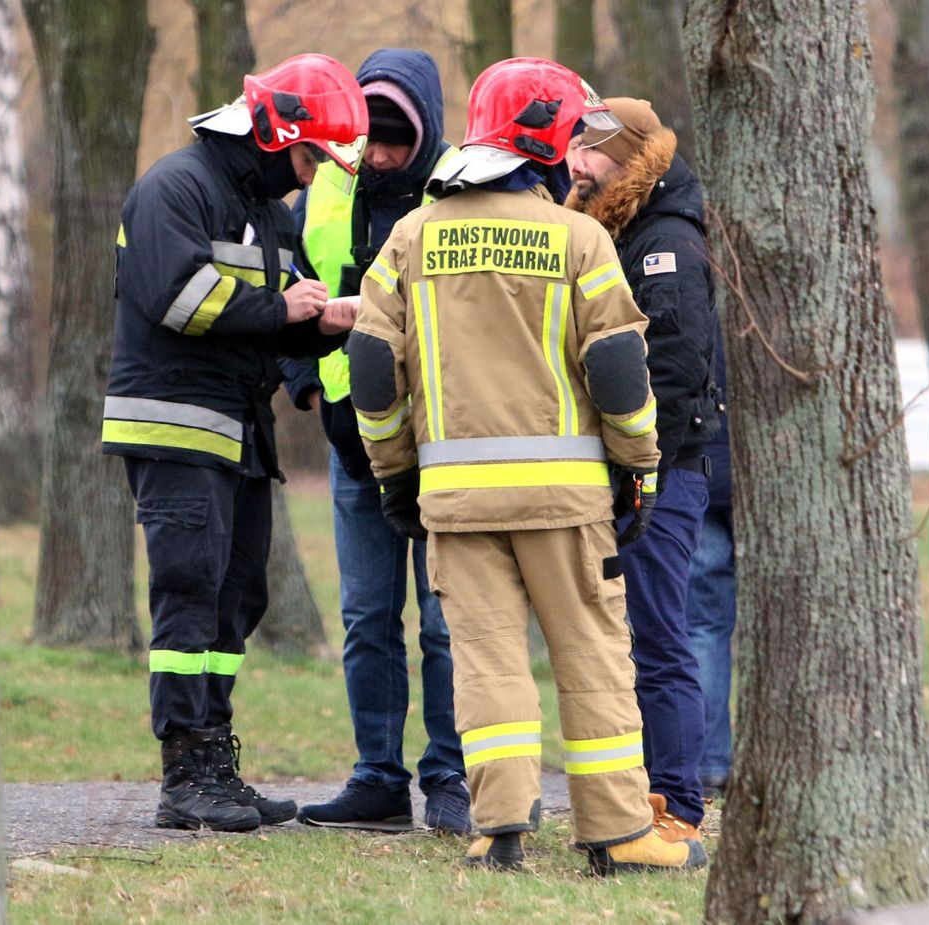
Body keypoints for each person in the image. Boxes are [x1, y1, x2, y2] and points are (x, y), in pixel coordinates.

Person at [348, 57, 706, 875]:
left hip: (453, 500)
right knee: (593, 658)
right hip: (566, 501)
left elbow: (371, 364)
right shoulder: (577, 237)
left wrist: (395, 471)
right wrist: (640, 466)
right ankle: (619, 834)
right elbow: (619, 367)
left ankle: (497, 829)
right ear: (546, 138)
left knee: (485, 663)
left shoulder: (411, 235)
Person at [101, 54, 367, 832]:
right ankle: (183, 770)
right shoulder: (174, 188)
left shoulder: (269, 211)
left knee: (236, 591)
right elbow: (175, 296)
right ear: (276, 132)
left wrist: (323, 325)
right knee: (188, 586)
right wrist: (281, 310)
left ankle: (213, 755)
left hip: (239, 430)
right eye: (311, 155)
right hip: (175, 423)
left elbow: (282, 314)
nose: (313, 174)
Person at [281, 48, 470, 835]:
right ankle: (377, 779)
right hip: (350, 435)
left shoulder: (465, 186)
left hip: (441, 444)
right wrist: (300, 376)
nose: (381, 154)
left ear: (424, 134)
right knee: (366, 617)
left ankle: (451, 777)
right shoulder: (327, 179)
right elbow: (289, 279)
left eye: (396, 139)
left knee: (443, 620)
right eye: (372, 137)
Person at [565, 98, 723, 841]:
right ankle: (639, 795)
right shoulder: (615, 231)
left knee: (660, 637)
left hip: (662, 469)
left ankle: (678, 803)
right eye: (572, 148)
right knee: (625, 638)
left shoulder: (666, 240)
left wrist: (638, 467)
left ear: (630, 158)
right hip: (623, 468)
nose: (576, 163)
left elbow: (674, 364)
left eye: (591, 152)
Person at [685, 339, 734, 800]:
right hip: (767, 476)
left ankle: (709, 763)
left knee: (704, 625)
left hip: (707, 475)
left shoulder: (681, 275)